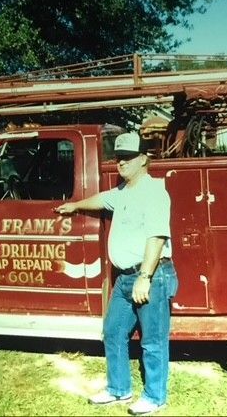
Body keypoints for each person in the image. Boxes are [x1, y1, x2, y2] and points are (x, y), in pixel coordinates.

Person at [55, 132, 178, 415]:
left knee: (153, 341)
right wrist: (75, 205)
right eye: (118, 157)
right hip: (125, 278)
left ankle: (155, 396)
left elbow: (157, 238)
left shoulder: (154, 192)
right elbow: (102, 200)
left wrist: (145, 277)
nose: (120, 162)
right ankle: (119, 389)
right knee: (112, 332)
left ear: (143, 159)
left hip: (151, 276)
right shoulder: (122, 192)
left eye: (127, 157)